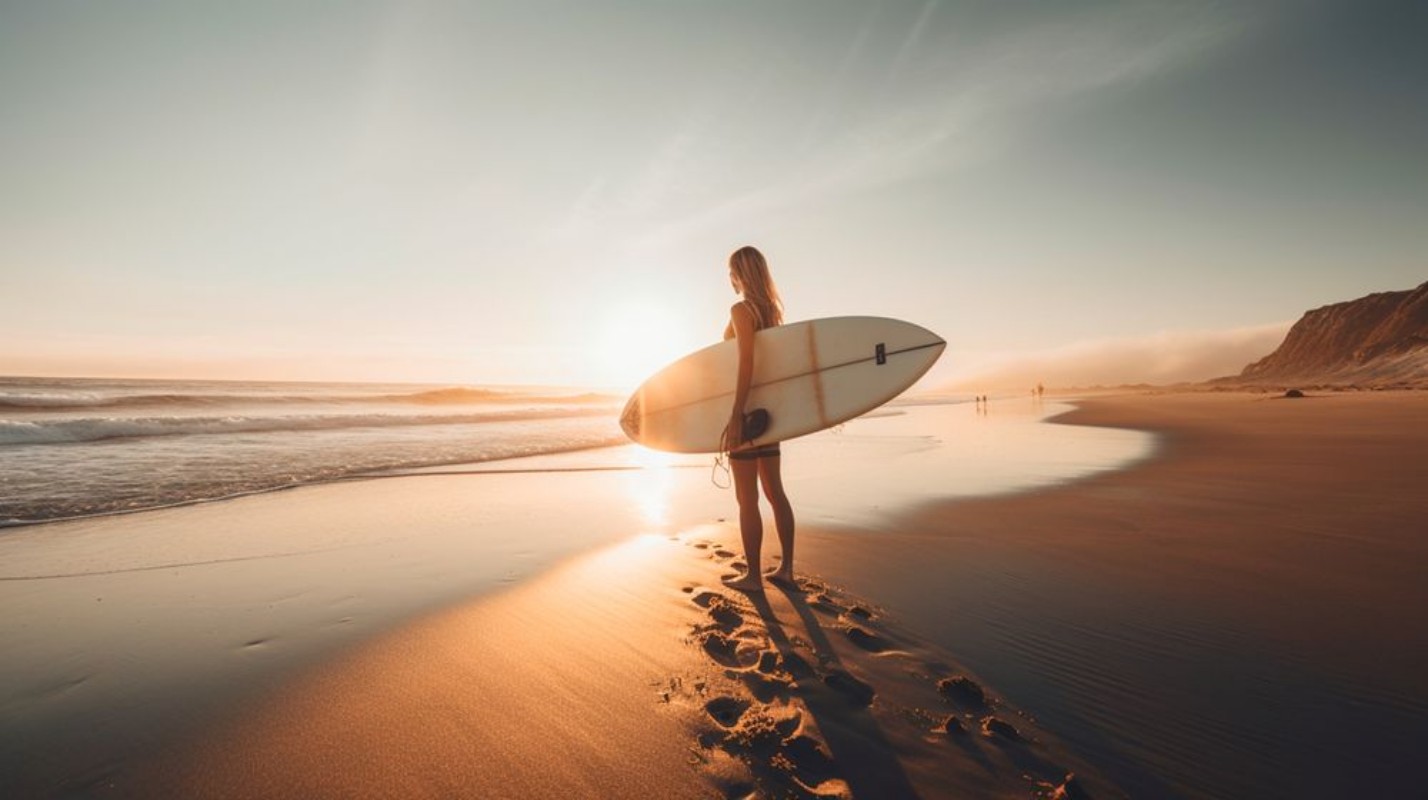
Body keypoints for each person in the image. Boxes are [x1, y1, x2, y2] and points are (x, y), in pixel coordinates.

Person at [720, 245, 796, 592]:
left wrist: (736, 413)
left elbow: (746, 362)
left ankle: (752, 577)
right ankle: (787, 569)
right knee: (775, 492)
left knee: (747, 499)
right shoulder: (771, 311)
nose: (729, 278)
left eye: (731, 272)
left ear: (739, 274)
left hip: (748, 412)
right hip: (770, 414)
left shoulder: (741, 310)